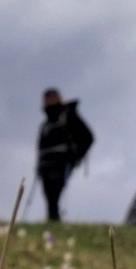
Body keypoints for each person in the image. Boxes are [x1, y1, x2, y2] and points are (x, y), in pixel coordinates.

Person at [35, 88, 93, 222]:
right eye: (47, 99)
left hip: (61, 163)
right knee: (49, 196)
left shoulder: (68, 117)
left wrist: (76, 156)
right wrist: (38, 166)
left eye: (52, 97)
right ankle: (52, 222)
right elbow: (40, 148)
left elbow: (87, 138)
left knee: (55, 194)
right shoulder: (45, 125)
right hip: (45, 165)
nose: (49, 101)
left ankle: (54, 222)